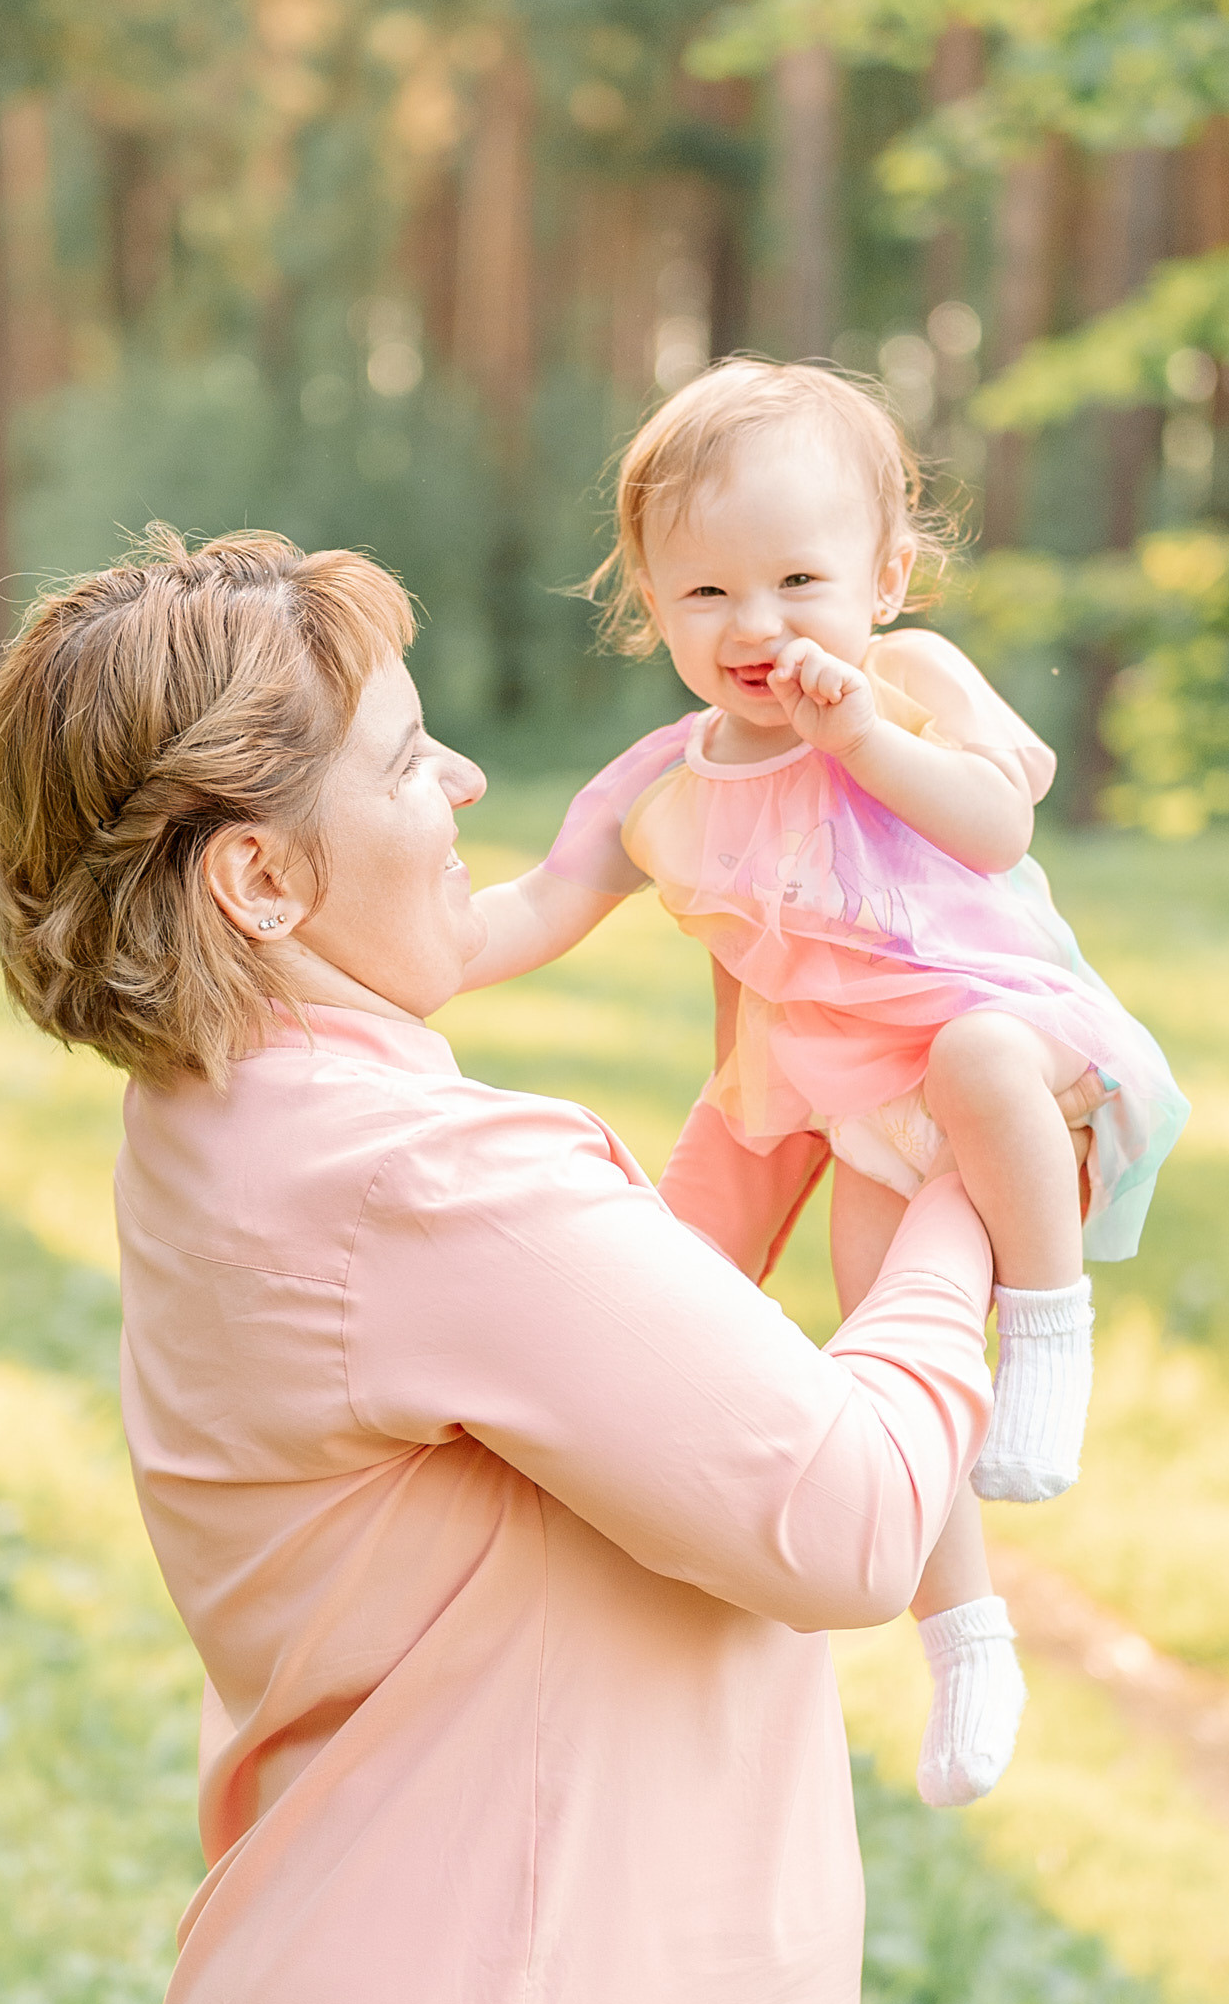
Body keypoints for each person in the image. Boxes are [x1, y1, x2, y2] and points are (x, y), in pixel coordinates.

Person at [0, 523, 1004, 2004]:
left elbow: (611, 1372)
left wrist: (792, 1114)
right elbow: (852, 1513)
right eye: (404, 756)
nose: (458, 793)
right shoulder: (411, 1173)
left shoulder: (241, 1116)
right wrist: (983, 1179)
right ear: (260, 878)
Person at [461, 358, 1189, 1810]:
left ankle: (1049, 1331)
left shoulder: (908, 681)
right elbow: (529, 911)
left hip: (1026, 1054)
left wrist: (858, 728)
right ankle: (966, 1639)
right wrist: (364, 937)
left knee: (975, 1057)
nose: (759, 626)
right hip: (861, 1125)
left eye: (799, 579)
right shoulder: (663, 789)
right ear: (648, 602)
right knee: (885, 1378)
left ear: (886, 573)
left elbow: (993, 826)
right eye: (705, 594)